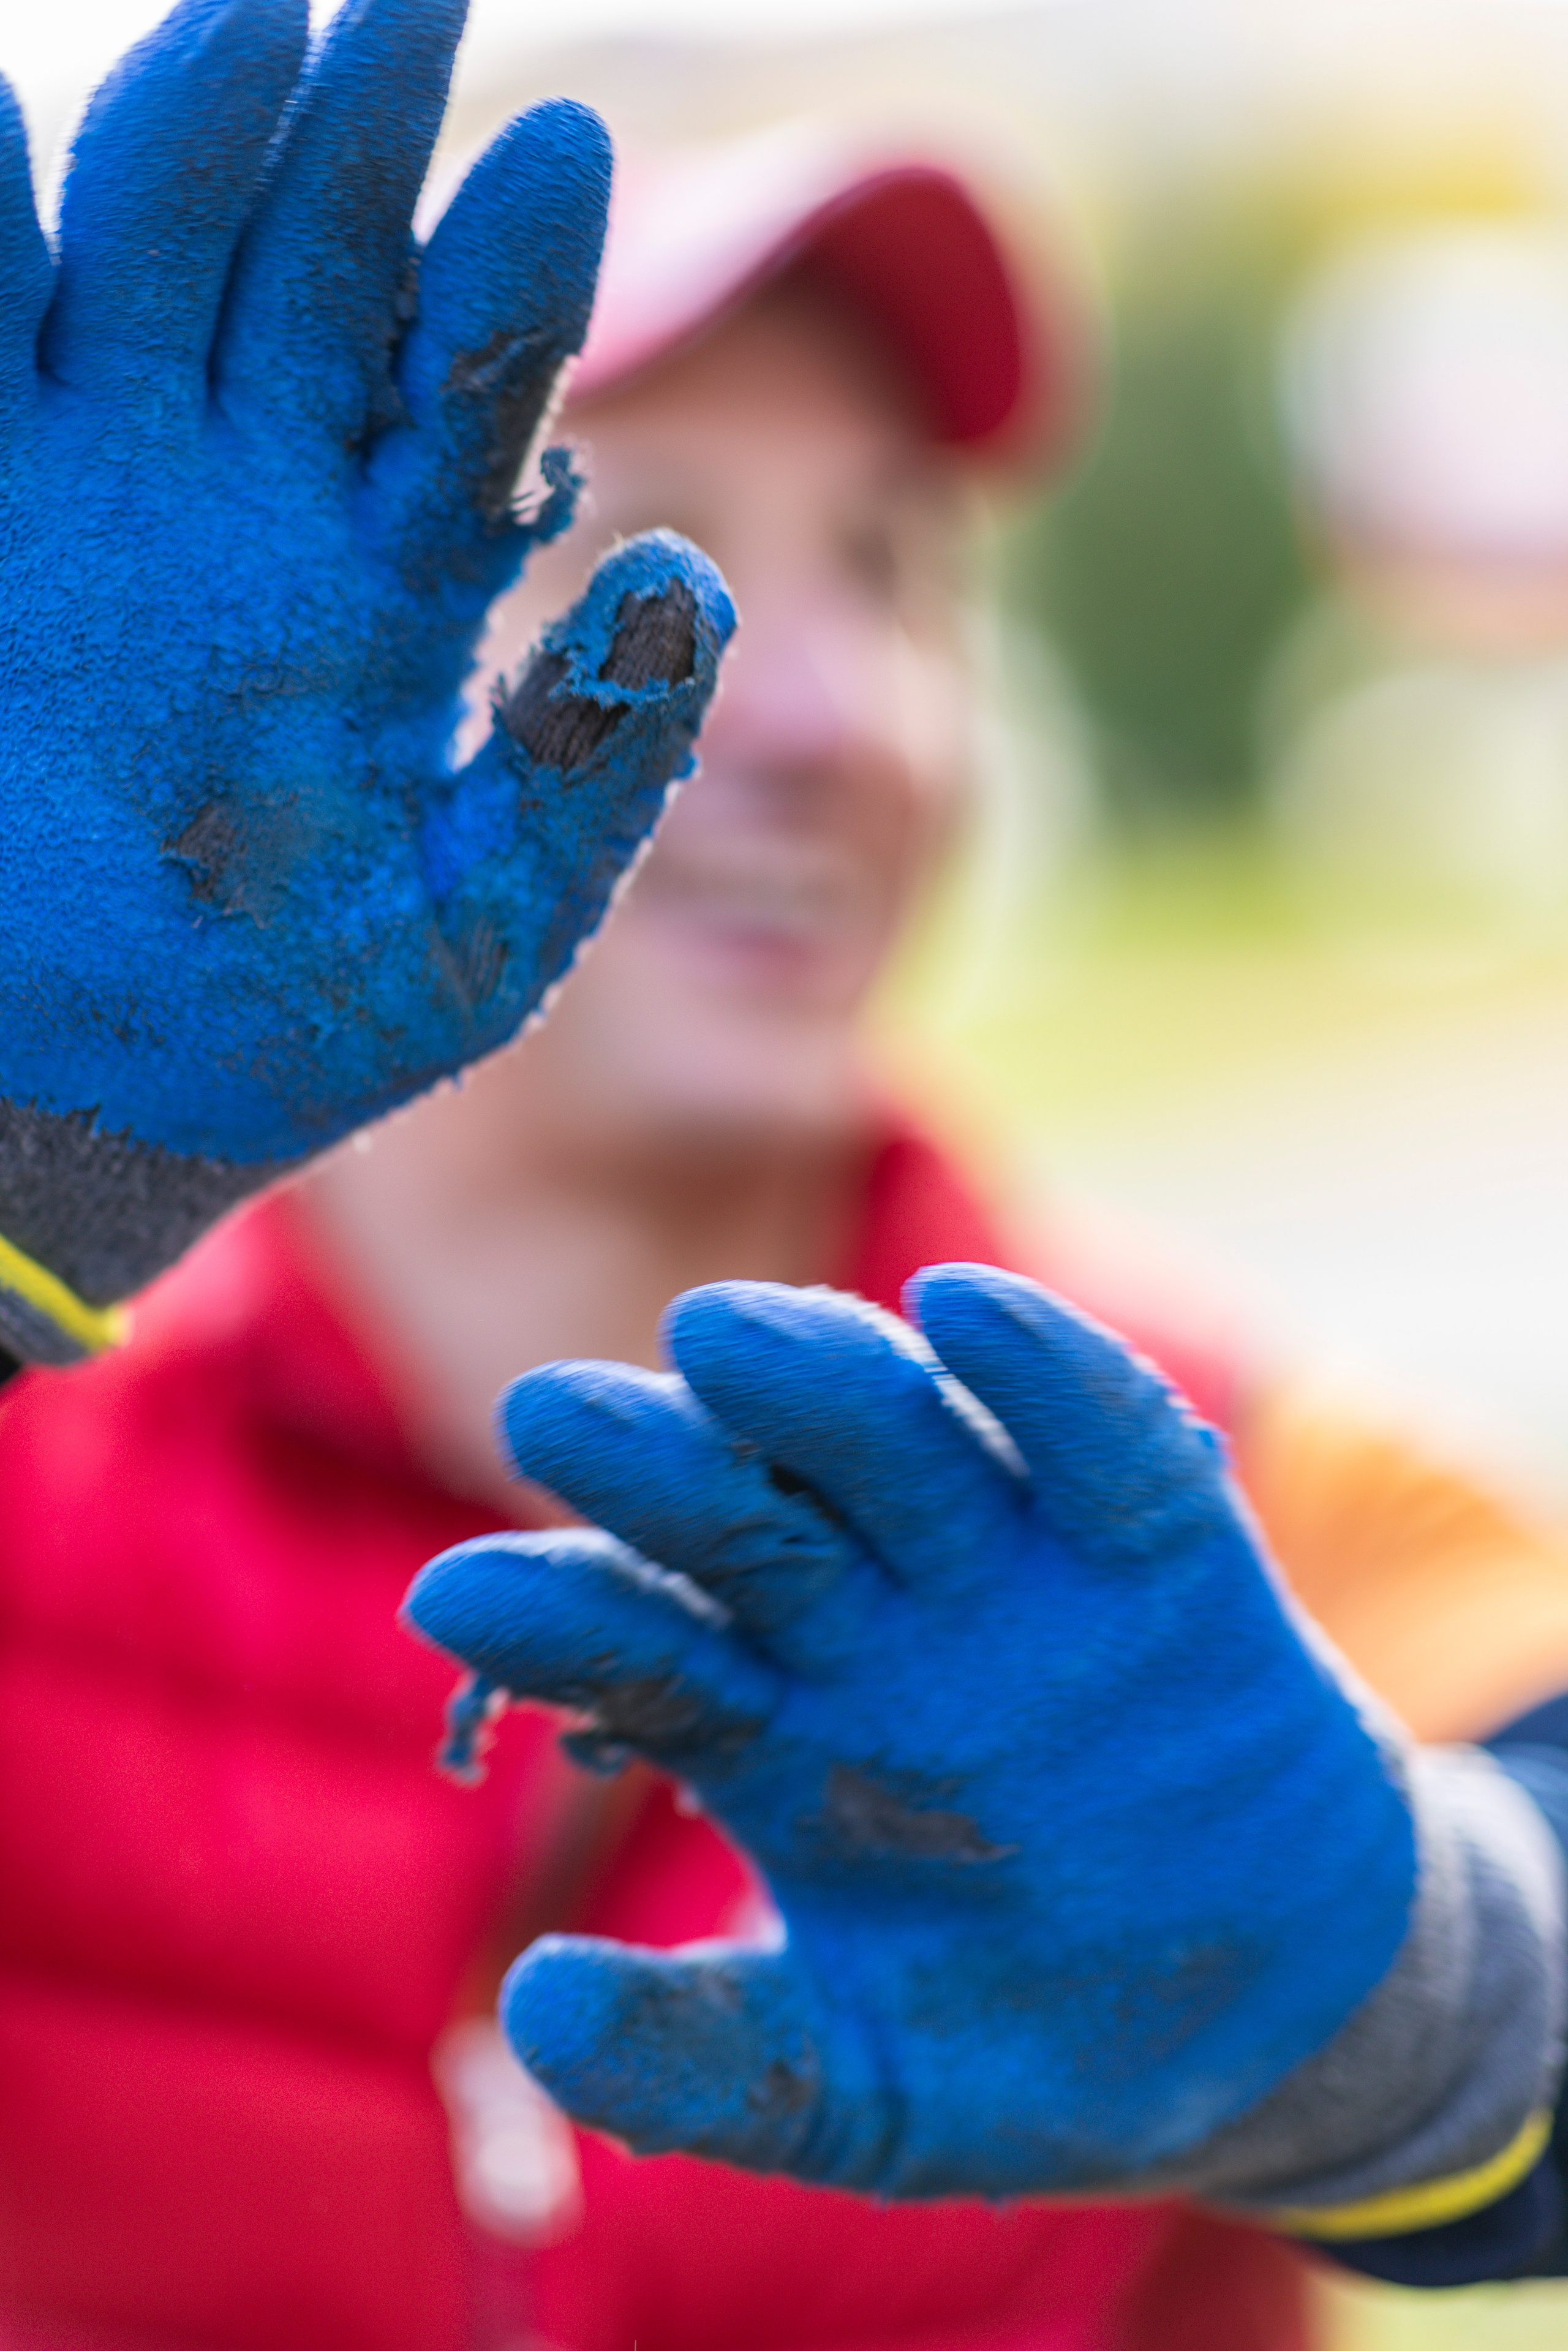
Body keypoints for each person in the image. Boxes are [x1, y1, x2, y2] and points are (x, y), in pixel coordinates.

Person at [6, 7, 1568, 2348]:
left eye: (895, 565)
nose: (831, 710)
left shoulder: (1198, 1479)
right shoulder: (40, 1452)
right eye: (638, 546)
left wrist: (1431, 1993)